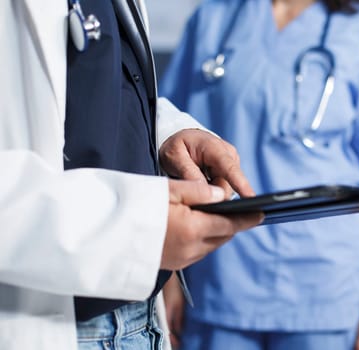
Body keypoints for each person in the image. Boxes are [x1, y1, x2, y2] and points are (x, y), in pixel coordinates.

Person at [160, 0, 359, 349]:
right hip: (223, 271)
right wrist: (169, 278)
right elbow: (170, 148)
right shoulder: (212, 20)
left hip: (326, 280)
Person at [0, 1, 262, 349]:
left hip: (139, 319)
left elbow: (105, 89)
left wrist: (167, 134)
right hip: (49, 322)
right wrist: (141, 230)